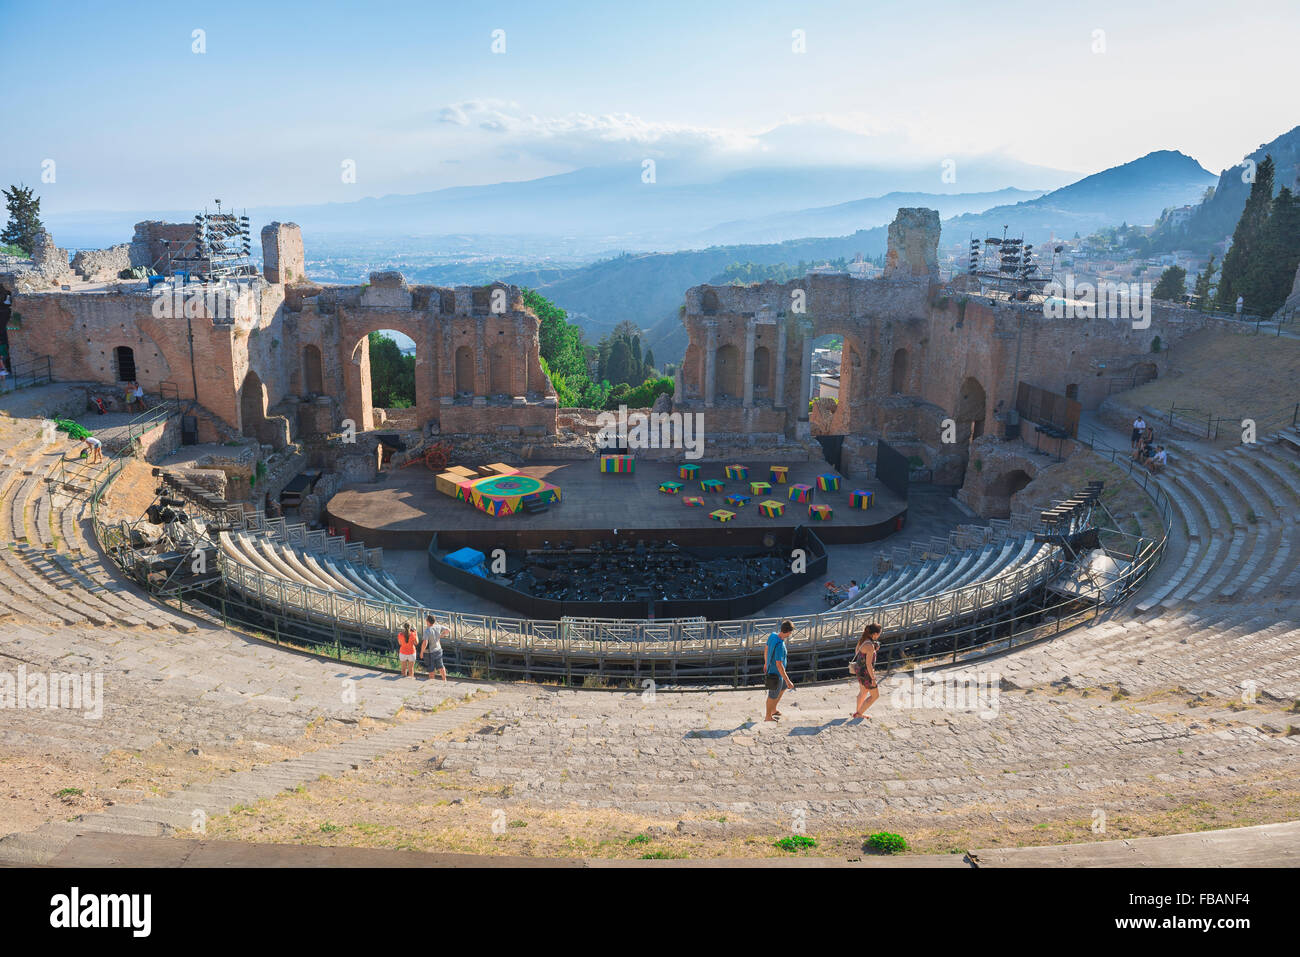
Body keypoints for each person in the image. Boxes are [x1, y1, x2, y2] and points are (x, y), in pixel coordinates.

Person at [763, 620, 795, 721]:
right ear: (788, 632)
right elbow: (779, 665)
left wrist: (765, 663)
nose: (791, 634)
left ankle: (773, 709)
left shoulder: (772, 635)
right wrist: (787, 680)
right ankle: (768, 716)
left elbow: (766, 649)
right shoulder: (780, 645)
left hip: (774, 671)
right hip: (776, 674)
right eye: (791, 632)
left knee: (782, 688)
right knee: (772, 695)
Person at [850, 623, 882, 719]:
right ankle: (859, 713)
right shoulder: (870, 646)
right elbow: (868, 664)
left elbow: (857, 652)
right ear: (875, 634)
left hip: (859, 670)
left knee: (863, 692)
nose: (880, 635)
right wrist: (873, 678)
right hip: (866, 673)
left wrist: (872, 650)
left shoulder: (863, 640)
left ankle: (858, 712)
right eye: (879, 633)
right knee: (875, 695)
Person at [421, 613, 448, 681]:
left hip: (430, 653)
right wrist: (441, 636)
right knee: (441, 667)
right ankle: (444, 680)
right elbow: (448, 630)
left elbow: (425, 643)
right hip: (438, 650)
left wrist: (421, 652)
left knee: (431, 669)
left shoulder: (427, 630)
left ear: (427, 621)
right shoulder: (438, 626)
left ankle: (432, 682)